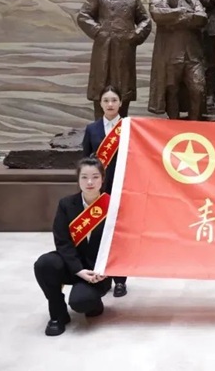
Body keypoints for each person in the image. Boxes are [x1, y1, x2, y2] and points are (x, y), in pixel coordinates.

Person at [33, 157, 113, 336]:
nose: (90, 182)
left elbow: (119, 242)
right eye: (84, 177)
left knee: (82, 303)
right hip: (72, 265)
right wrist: (78, 269)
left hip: (97, 271)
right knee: (45, 264)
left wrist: (106, 268)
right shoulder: (66, 204)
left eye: (95, 177)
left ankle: (94, 302)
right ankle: (57, 313)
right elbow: (62, 241)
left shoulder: (113, 206)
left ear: (102, 179)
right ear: (78, 179)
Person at [77, 0, 152, 120]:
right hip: (104, 47)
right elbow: (83, 16)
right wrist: (99, 32)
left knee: (124, 87)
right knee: (101, 84)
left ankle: (121, 127)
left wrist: (135, 35)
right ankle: (99, 126)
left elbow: (145, 20)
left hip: (125, 48)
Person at [81, 85, 128, 297]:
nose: (110, 104)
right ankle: (100, 274)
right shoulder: (92, 129)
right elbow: (85, 162)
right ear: (100, 103)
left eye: (114, 100)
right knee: (98, 233)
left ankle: (120, 280)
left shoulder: (128, 127)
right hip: (98, 191)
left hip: (123, 188)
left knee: (120, 234)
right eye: (106, 100)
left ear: (120, 103)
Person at [148, 0, 208, 121]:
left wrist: (174, 19)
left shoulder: (192, 0)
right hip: (171, 54)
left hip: (192, 55)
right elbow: (158, 15)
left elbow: (201, 18)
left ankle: (194, 124)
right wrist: (183, 13)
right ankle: (174, 124)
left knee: (198, 88)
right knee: (171, 89)